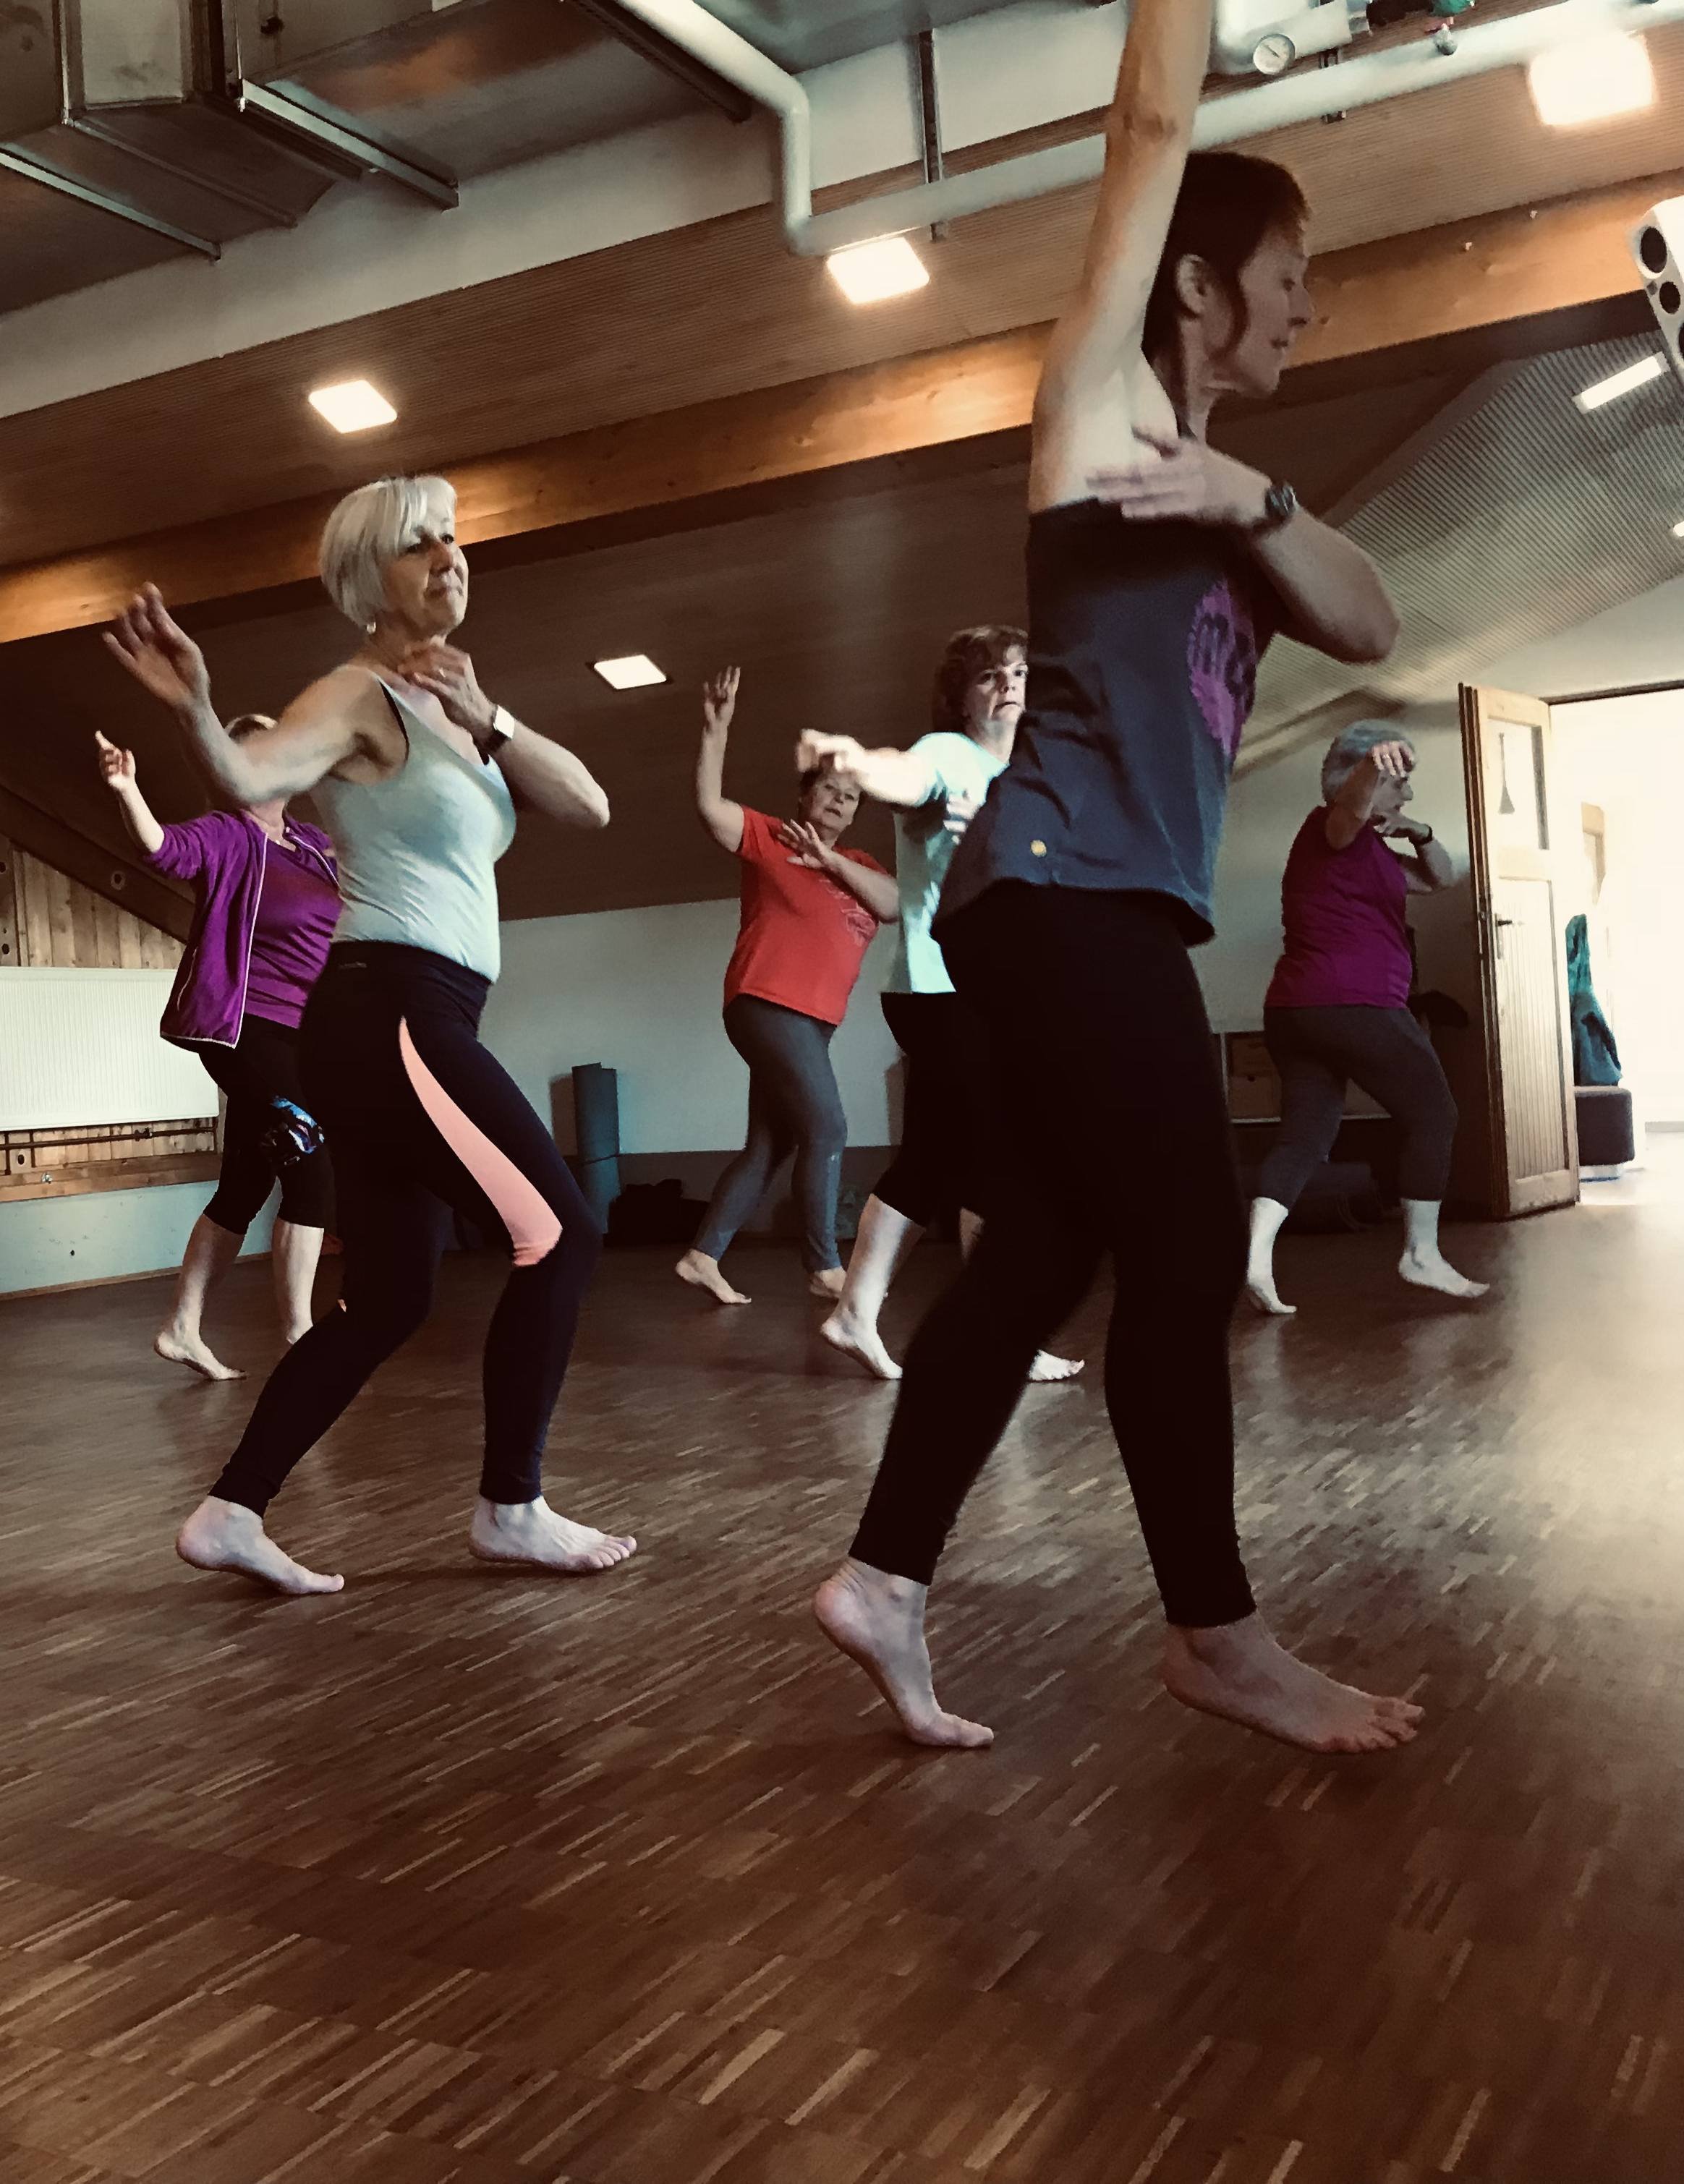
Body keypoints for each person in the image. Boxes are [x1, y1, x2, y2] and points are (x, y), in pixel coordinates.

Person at [805, 0, 1422, 1757]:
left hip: (1080, 902)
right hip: (1060, 884)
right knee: (1183, 1243)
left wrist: (1252, 495)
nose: (1307, 305)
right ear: (1197, 286)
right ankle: (1216, 1635)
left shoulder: (1224, 490)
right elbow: (1147, 135)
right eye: (1288, 275)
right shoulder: (1103, 409)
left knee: (1046, 1249)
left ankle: (883, 1579)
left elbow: (1374, 619)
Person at [103, 473, 635, 1597]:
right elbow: (250, 774)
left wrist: (490, 716)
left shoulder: (460, 711)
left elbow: (590, 805)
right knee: (563, 1235)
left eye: (453, 537)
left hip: (407, 1015)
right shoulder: (354, 696)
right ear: (365, 581)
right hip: (391, 1005)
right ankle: (512, 1506)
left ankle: (231, 1511)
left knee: (391, 1296)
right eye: (418, 544)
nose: (450, 556)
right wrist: (197, 707)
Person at [815, 626, 1082, 1386]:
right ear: (961, 697)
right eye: (990, 675)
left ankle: (854, 1312)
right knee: (1004, 1156)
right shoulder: (946, 753)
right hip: (942, 988)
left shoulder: (1028, 776)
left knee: (930, 1159)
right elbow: (906, 776)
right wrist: (861, 764)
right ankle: (1005, 1331)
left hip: (980, 991)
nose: (1008, 684)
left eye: (1019, 672)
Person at [96, 719, 339, 1381]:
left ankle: (181, 1328)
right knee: (311, 1162)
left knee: (246, 1183)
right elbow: (163, 849)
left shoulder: (313, 847)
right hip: (244, 1028)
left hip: (303, 1033)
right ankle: (300, 1334)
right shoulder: (227, 833)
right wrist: (128, 789)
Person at [675, 666, 900, 1308]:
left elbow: (892, 906)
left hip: (812, 1023)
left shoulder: (859, 865)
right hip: (769, 1004)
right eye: (828, 789)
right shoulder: (771, 837)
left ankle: (703, 1255)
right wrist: (716, 731)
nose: (839, 801)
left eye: (850, 797)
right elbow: (709, 808)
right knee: (827, 1127)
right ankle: (824, 1265)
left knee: (771, 1143)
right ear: (805, 796)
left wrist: (828, 861)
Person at [1246, 725, 1486, 1315]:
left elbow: (1440, 877)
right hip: (1354, 1003)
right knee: (1434, 1113)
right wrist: (1372, 767)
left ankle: (1254, 1259)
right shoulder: (1329, 829)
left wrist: (1418, 831)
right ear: (1366, 781)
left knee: (1306, 1136)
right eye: (1399, 784)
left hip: (1295, 1010)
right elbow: (1348, 805)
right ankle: (1421, 1254)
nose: (1407, 795)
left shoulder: (1370, 854)